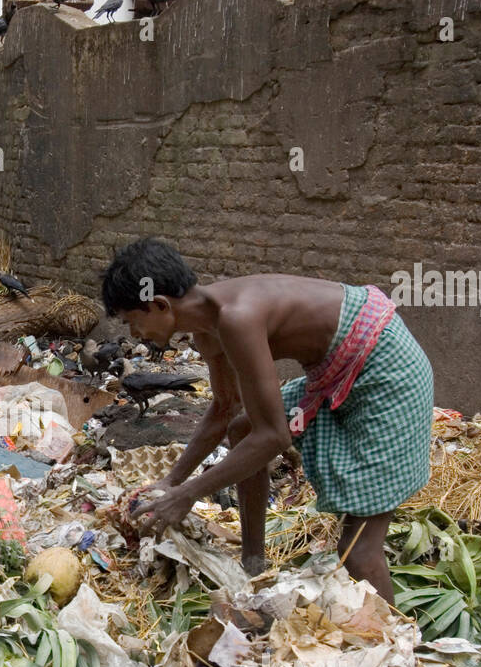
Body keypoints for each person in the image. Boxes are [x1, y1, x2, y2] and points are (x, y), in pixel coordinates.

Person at [101, 238, 434, 605]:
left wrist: (189, 494)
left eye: (133, 322)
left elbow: (274, 436)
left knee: (358, 550)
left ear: (159, 305)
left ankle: (403, 651)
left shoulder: (236, 318)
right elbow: (225, 408)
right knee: (242, 429)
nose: (134, 335)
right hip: (337, 370)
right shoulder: (206, 329)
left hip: (385, 368)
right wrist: (171, 480)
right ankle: (253, 562)